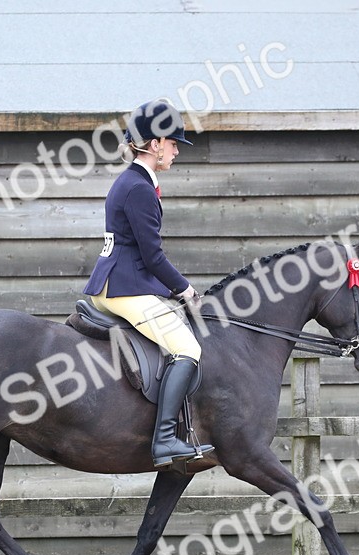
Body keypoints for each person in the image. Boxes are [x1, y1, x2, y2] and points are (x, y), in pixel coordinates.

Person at [82, 100, 214, 468]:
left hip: (121, 282)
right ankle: (166, 440)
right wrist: (186, 290)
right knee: (188, 348)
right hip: (125, 287)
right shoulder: (139, 188)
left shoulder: (133, 181)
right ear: (155, 143)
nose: (176, 151)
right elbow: (153, 257)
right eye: (173, 143)